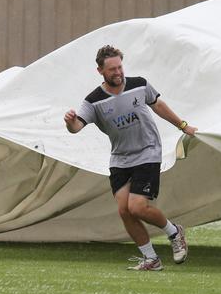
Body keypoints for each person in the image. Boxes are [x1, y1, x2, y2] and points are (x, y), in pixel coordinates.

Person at [64, 45, 196, 271]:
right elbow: (76, 128)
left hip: (147, 151)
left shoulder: (139, 84)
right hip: (120, 159)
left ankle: (174, 232)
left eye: (120, 67)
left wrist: (183, 125)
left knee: (137, 207)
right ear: (100, 71)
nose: (118, 72)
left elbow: (159, 105)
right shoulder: (93, 101)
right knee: (124, 210)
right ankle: (151, 259)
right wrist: (69, 121)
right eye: (112, 69)